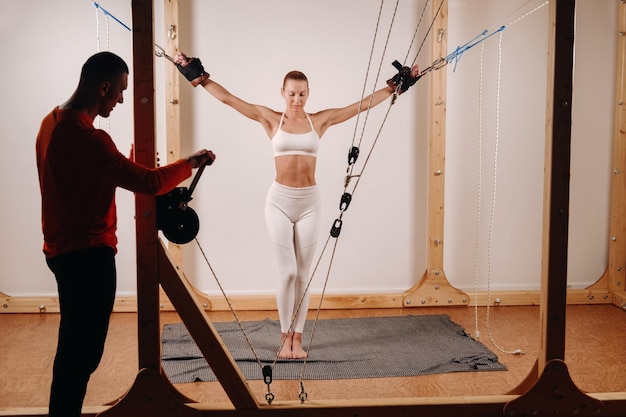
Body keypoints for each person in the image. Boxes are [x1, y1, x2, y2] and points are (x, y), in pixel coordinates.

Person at [174, 51, 418, 359]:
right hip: (279, 201)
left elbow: (360, 106)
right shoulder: (271, 119)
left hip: (310, 203)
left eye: (302, 94)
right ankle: (283, 335)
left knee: (304, 275)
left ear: (308, 94)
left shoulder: (320, 121)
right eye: (291, 93)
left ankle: (297, 339)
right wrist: (196, 74)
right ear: (282, 93)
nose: (297, 99)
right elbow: (230, 100)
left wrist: (397, 84)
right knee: (287, 272)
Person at [35, 51, 215, 417]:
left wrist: (130, 161)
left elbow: (91, 177)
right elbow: (148, 183)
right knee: (83, 352)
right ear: (103, 87)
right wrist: (191, 163)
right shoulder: (87, 137)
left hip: (61, 252)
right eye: (119, 92)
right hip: (88, 255)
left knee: (74, 347)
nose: (120, 100)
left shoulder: (51, 122)